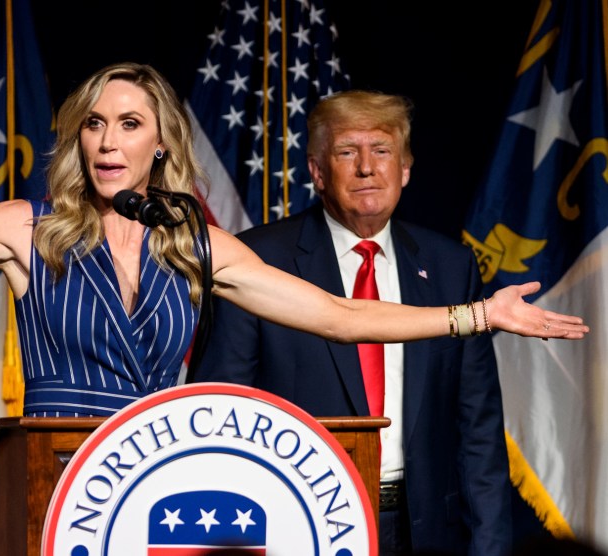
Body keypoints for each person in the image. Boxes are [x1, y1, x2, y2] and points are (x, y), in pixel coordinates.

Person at [0, 63, 586, 421]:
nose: (106, 141)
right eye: (94, 123)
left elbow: (339, 316)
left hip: (166, 460)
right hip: (52, 468)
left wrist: (475, 316)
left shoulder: (195, 244)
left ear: (158, 144)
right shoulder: (26, 231)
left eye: (128, 124)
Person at [194, 90, 514, 555]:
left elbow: (479, 428)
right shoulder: (259, 261)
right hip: (299, 523)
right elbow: (221, 407)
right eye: (347, 152)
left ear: (405, 169)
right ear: (318, 172)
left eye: (382, 150)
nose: (367, 167)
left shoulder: (450, 267)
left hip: (423, 531)